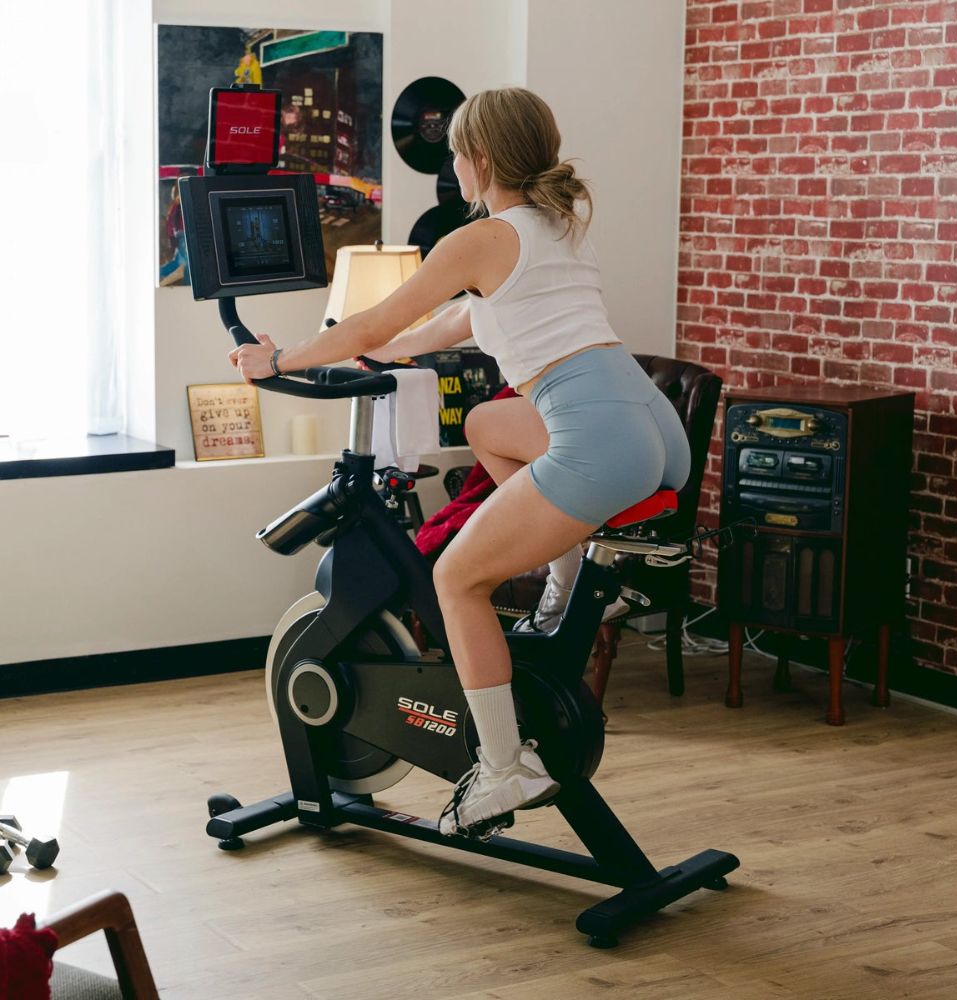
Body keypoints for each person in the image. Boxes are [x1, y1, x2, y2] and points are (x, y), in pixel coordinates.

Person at [230, 87, 691, 838]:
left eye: (455, 156)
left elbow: (375, 319)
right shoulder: (558, 223)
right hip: (651, 425)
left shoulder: (477, 238)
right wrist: (386, 351)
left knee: (456, 578)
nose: (453, 168)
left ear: (479, 157)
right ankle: (570, 583)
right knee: (486, 424)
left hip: (596, 438)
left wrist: (278, 359)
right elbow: (455, 320)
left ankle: (506, 769)